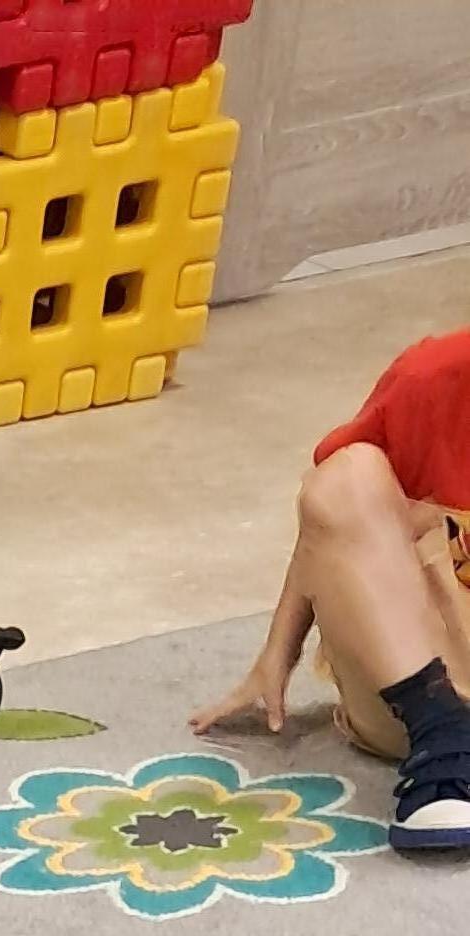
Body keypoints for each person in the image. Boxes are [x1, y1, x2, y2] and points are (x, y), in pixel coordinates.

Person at [194, 324, 470, 854]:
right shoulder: (432, 376)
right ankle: (443, 741)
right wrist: (279, 651)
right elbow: (332, 517)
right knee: (349, 474)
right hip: (420, 688)